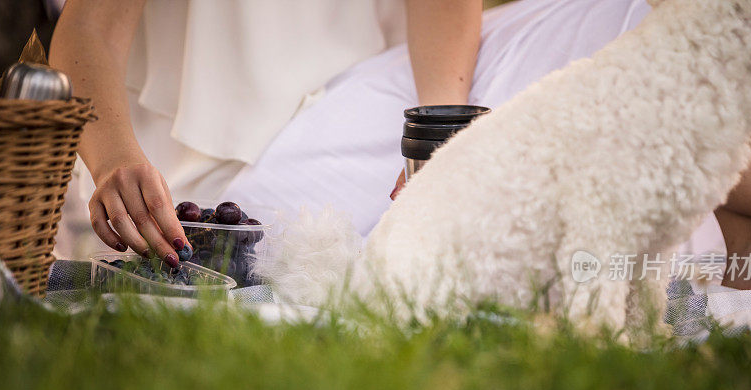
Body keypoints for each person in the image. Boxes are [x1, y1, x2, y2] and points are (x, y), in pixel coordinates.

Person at [50, 0, 482, 266]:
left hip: (368, 113)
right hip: (189, 189)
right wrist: (114, 159)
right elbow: (89, 27)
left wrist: (440, 137)